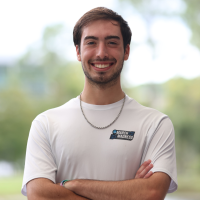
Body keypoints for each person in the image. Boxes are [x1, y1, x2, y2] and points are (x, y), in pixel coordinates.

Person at [21, 7, 177, 200]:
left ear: (126, 51)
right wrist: (127, 192)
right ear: (78, 52)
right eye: (91, 43)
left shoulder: (155, 124)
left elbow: (150, 193)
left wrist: (72, 185)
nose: (101, 53)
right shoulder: (45, 123)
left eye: (112, 42)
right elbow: (39, 194)